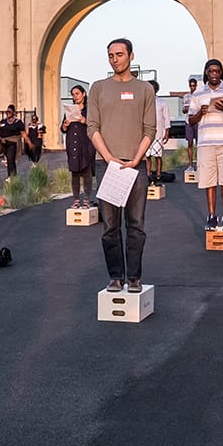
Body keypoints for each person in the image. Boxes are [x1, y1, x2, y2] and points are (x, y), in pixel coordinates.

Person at [87, 38, 156, 292]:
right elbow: (92, 127)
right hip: (108, 166)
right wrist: (108, 158)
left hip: (135, 167)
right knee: (110, 227)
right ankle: (116, 277)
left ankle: (135, 277)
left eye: (119, 54)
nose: (115, 59)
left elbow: (150, 129)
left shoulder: (145, 89)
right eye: (111, 55)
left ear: (131, 56)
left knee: (136, 225)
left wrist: (137, 159)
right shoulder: (98, 88)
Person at [188, 58, 223, 229]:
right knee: (208, 180)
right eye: (211, 71)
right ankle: (211, 215)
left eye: (217, 71)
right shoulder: (197, 93)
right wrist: (200, 112)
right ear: (206, 73)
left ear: (221, 73)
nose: (214, 74)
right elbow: (191, 120)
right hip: (205, 142)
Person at [64, 85, 95, 207]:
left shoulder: (89, 110)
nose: (75, 96)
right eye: (73, 94)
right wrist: (65, 125)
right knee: (75, 172)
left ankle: (86, 199)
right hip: (73, 143)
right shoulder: (70, 110)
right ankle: (76, 200)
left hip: (86, 144)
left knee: (86, 171)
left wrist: (85, 121)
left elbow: (96, 125)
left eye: (77, 93)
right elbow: (63, 128)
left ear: (83, 94)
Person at [147, 79, 171, 183]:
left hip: (158, 132)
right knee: (147, 155)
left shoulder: (162, 102)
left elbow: (166, 117)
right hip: (147, 133)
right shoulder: (144, 102)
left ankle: (158, 174)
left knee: (157, 155)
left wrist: (167, 132)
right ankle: (148, 174)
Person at [0, 105, 24, 176]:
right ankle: (13, 177)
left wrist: (29, 142)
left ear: (14, 112)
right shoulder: (3, 122)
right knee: (9, 160)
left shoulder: (18, 122)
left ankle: (11, 177)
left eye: (9, 112)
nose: (7, 113)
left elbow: (23, 133)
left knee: (10, 159)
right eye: (7, 112)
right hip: (4, 143)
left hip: (13, 143)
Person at [182, 76, 199, 170]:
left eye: (194, 86)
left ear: (196, 86)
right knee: (190, 143)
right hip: (188, 120)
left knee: (198, 143)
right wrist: (186, 109)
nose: (192, 87)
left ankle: (199, 163)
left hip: (197, 120)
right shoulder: (186, 96)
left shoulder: (199, 96)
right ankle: (190, 164)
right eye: (191, 86)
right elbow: (184, 110)